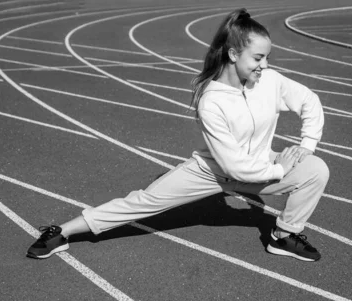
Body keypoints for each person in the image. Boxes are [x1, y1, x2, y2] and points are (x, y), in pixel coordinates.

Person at [27, 8, 329, 262]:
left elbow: (308, 100)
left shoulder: (269, 81)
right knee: (143, 202)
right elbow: (234, 166)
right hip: (213, 171)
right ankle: (61, 231)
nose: (265, 65)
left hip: (260, 168)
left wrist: (306, 145)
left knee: (315, 169)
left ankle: (283, 236)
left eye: (267, 58)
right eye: (258, 58)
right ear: (234, 54)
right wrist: (280, 169)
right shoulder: (212, 100)